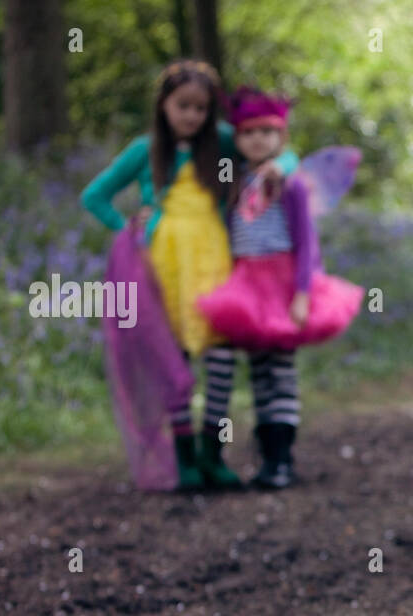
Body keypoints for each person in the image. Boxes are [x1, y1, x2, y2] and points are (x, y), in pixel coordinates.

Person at [81, 60, 298, 491]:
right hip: (164, 268)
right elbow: (95, 195)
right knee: (173, 362)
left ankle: (211, 454)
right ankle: (184, 462)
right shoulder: (144, 151)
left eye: (200, 108)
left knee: (219, 361)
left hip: (214, 262)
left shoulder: (219, 143)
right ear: (163, 104)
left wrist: (283, 167)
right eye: (183, 106)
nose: (192, 116)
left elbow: (277, 148)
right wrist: (127, 226)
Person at [196, 87, 364, 488]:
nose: (258, 140)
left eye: (268, 132)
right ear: (237, 139)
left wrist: (303, 294)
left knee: (281, 372)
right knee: (258, 371)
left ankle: (281, 456)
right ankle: (265, 456)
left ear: (281, 137)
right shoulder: (236, 181)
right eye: (249, 133)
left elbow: (306, 243)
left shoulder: (291, 185)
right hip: (247, 284)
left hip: (284, 282)